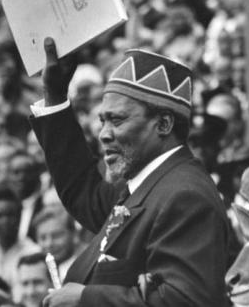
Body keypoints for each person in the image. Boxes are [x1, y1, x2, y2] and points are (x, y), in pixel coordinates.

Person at [29, 39, 230, 306]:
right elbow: (83, 191)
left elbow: (187, 300)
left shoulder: (185, 195)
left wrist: (85, 298)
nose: (103, 134)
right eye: (102, 121)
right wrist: (55, 96)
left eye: (117, 120)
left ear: (164, 124)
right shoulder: (150, 184)